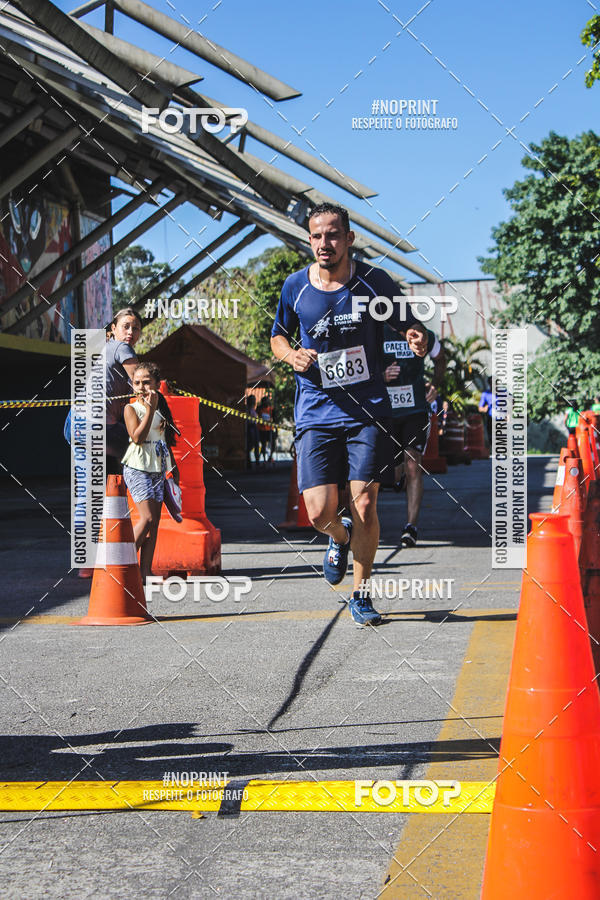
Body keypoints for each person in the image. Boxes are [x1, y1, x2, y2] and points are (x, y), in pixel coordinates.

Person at [270, 202, 431, 626]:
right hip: (316, 410)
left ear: (349, 238)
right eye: (317, 235)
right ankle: (338, 537)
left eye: (334, 234)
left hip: (368, 410)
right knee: (319, 512)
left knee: (364, 500)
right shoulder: (295, 288)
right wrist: (292, 356)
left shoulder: (375, 283)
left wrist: (419, 337)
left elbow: (411, 326)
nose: (326, 243)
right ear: (310, 240)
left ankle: (361, 594)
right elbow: (277, 338)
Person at [382, 322, 445, 548]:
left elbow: (440, 358)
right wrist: (381, 375)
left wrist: (435, 385)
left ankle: (411, 527)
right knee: (393, 469)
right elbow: (362, 366)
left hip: (415, 410)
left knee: (413, 464)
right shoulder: (376, 330)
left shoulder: (423, 333)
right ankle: (397, 476)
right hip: (386, 412)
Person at [122, 362, 179, 583]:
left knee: (154, 522)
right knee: (145, 518)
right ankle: (119, 564)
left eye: (147, 382)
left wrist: (173, 468)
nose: (142, 387)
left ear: (157, 384)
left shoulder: (160, 408)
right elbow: (138, 437)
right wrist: (150, 409)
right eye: (137, 383)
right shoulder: (131, 409)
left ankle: (144, 571)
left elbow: (165, 441)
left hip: (157, 468)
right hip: (138, 468)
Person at [106, 307, 143, 475]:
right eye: (125, 326)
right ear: (113, 328)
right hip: (98, 425)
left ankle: (120, 499)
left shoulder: (107, 347)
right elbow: (143, 384)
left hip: (76, 424)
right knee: (143, 449)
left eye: (135, 328)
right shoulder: (122, 348)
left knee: (101, 486)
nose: (130, 332)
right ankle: (146, 499)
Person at [478, 377, 498, 445]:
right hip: (491, 418)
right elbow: (480, 408)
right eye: (491, 383)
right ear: (489, 384)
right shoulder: (485, 394)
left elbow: (512, 401)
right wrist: (485, 408)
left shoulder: (504, 393)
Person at [257, 396, 274, 465]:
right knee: (263, 445)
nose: (266, 403)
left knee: (272, 444)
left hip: (270, 429)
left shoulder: (271, 409)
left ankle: (270, 457)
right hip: (262, 429)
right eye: (265, 401)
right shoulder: (259, 409)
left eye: (267, 401)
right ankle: (263, 459)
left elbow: (274, 418)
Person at [246, 395, 260, 468]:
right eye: (253, 400)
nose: (254, 401)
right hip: (250, 427)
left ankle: (257, 461)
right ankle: (249, 462)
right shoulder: (248, 409)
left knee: (256, 445)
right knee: (250, 445)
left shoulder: (253, 409)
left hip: (255, 427)